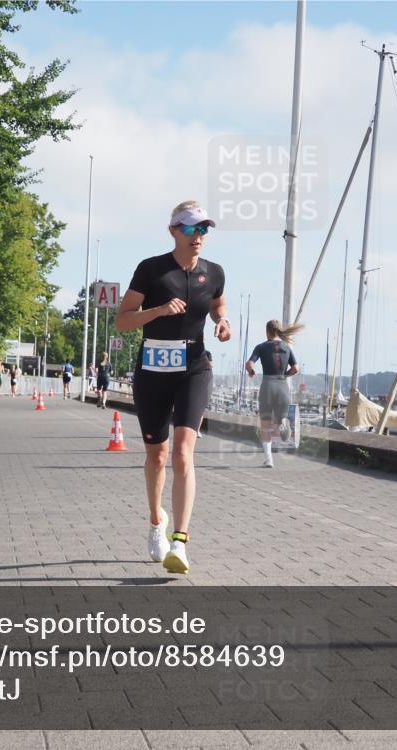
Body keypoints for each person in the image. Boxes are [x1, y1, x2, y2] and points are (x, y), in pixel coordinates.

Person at [115, 200, 230, 575]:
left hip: (194, 367)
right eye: (192, 229)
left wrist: (222, 322)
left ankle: (180, 542)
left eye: (204, 230)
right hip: (152, 370)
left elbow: (217, 303)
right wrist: (158, 311)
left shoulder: (214, 272)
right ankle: (155, 522)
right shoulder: (150, 270)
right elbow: (123, 322)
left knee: (183, 453)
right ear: (174, 231)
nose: (200, 237)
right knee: (157, 456)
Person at [246, 320, 303, 468]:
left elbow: (249, 363)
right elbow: (296, 368)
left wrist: (251, 371)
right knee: (276, 425)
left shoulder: (261, 347)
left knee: (265, 426)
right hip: (282, 388)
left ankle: (269, 460)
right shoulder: (287, 347)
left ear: (267, 331)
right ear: (279, 331)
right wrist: (285, 375)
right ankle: (283, 422)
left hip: (267, 387)